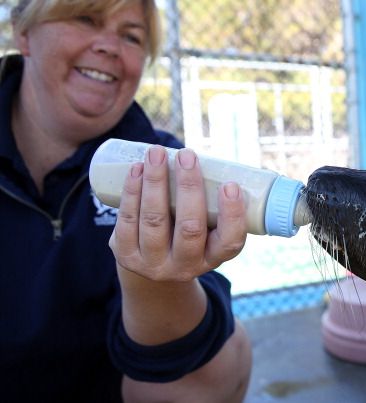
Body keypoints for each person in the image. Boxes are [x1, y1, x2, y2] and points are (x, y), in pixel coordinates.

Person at [0, 1, 252, 402]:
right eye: (86, 18)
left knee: (226, 351)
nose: (110, 46)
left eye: (132, 35)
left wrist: (157, 282)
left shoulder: (162, 163)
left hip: (109, 386)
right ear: (23, 32)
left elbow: (190, 351)